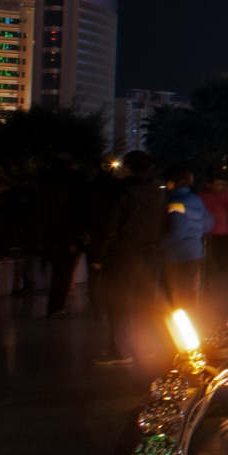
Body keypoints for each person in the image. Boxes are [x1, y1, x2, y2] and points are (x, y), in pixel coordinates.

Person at [92, 152, 165, 364]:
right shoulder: (157, 194)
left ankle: (120, 350)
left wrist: (98, 256)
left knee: (119, 303)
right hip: (149, 255)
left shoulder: (122, 193)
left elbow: (110, 228)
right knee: (143, 302)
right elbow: (164, 224)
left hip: (123, 255)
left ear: (129, 169)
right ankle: (144, 347)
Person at [35, 154, 90, 316]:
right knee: (64, 273)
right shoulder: (74, 185)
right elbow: (77, 213)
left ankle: (55, 305)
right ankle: (57, 306)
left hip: (50, 237)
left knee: (56, 272)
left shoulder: (45, 184)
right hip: (68, 238)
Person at [161, 167, 209, 312]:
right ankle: (188, 318)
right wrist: (195, 237)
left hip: (176, 254)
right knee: (188, 290)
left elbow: (177, 231)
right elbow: (208, 222)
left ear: (171, 183)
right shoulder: (196, 200)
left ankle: (177, 322)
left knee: (174, 293)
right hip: (194, 252)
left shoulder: (176, 202)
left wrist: (159, 245)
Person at [201, 177, 228, 272]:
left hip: (225, 228)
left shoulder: (227, 196)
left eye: (220, 184)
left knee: (225, 248)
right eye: (216, 184)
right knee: (214, 249)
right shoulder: (206, 196)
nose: (218, 187)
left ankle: (224, 265)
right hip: (211, 228)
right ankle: (216, 265)